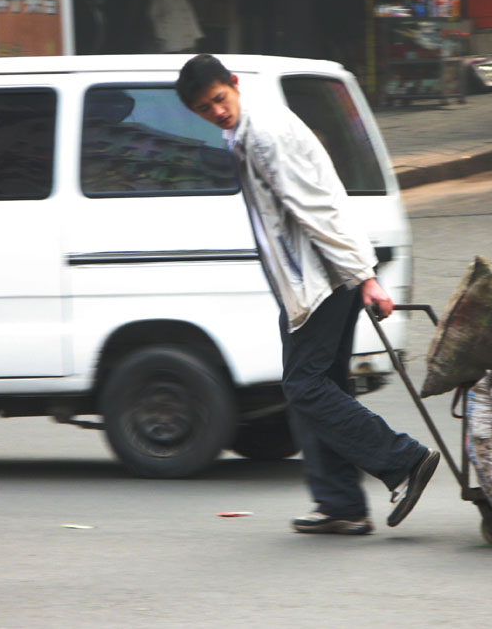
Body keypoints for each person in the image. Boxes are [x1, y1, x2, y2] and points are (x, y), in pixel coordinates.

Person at [176, 54, 439, 536]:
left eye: (219, 98)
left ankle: (403, 461)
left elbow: (318, 209)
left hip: (319, 282)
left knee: (305, 388)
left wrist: (364, 276)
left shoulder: (265, 133)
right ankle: (340, 502)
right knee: (320, 389)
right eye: (204, 108)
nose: (216, 111)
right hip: (311, 280)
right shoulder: (243, 132)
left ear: (233, 85)